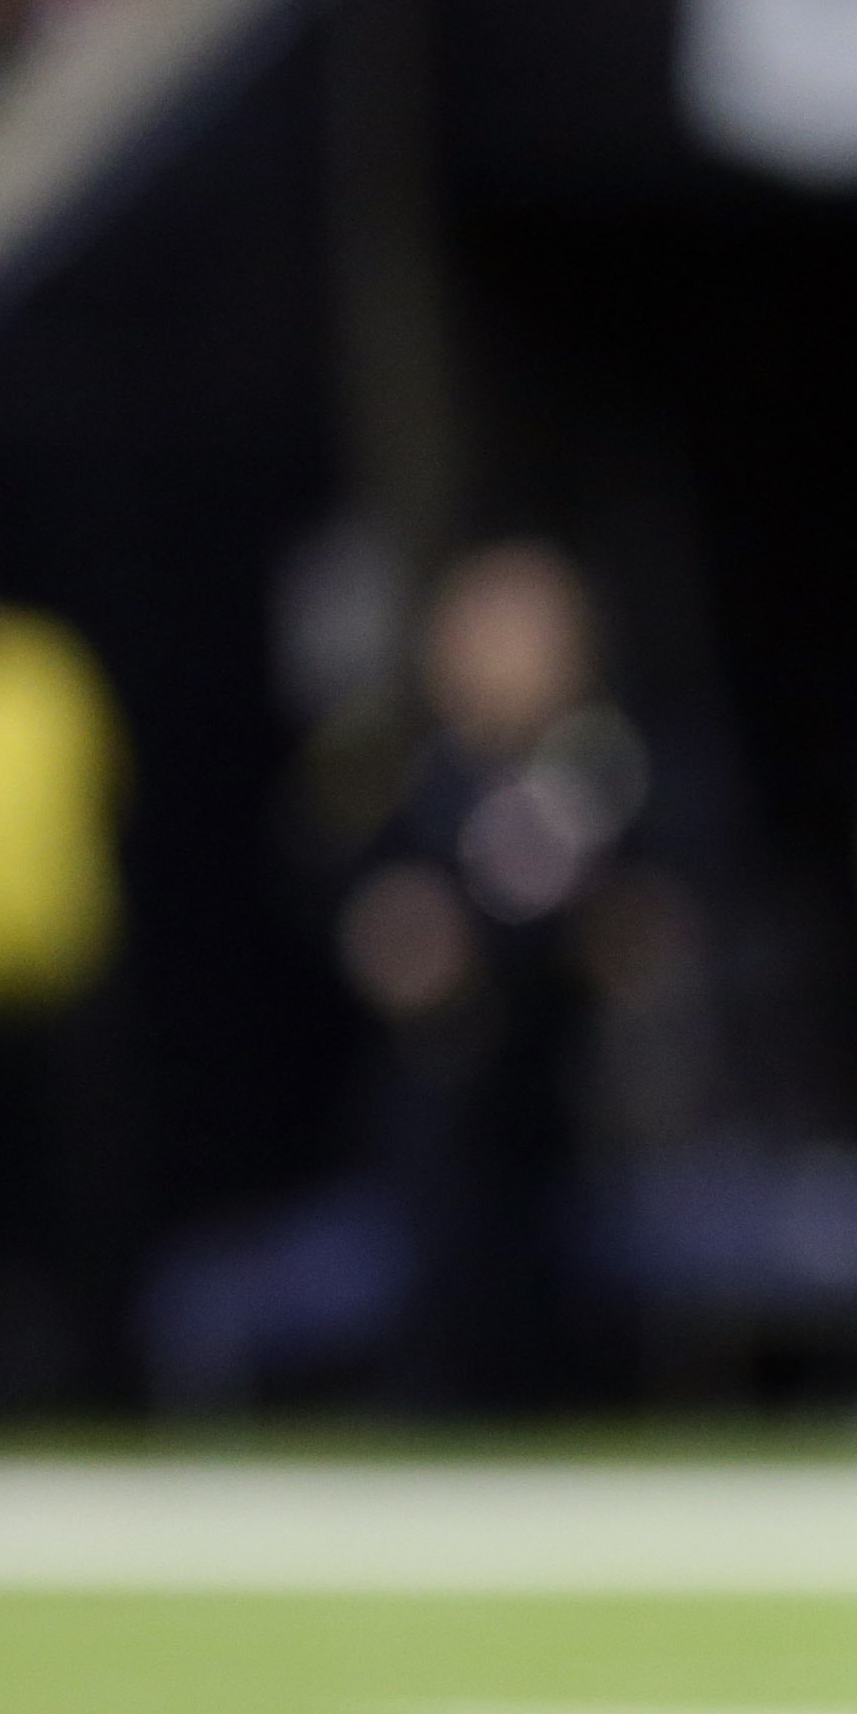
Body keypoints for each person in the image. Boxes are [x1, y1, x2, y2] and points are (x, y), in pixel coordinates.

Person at [338, 542, 668, 1410]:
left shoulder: (609, 770)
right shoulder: (409, 780)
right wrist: (406, 946)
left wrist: (619, 943)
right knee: (458, 1297)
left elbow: (650, 933)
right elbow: (372, 923)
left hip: (583, 1097)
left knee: (584, 1314)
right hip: (455, 1087)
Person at [0, 570, 126, 1404]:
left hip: (56, 1001)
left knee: (72, 1217)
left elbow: (105, 797)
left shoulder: (48, 668)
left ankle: (89, 1388)